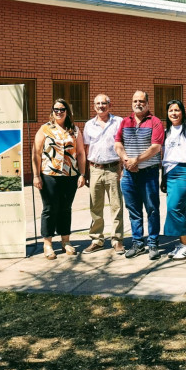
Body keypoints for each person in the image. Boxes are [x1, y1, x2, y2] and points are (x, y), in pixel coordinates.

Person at [32, 99, 86, 260]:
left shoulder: (74, 130)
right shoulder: (45, 129)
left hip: (70, 175)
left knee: (65, 208)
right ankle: (47, 243)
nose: (59, 112)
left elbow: (81, 153)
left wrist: (82, 174)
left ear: (67, 111)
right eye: (56, 109)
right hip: (49, 175)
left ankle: (65, 241)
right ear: (52, 111)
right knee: (50, 208)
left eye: (62, 109)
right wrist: (36, 175)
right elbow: (36, 153)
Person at [114, 90, 164, 260]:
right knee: (133, 210)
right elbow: (118, 143)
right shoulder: (125, 121)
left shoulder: (155, 122)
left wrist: (137, 160)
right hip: (128, 174)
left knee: (152, 209)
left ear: (147, 103)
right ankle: (137, 243)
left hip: (148, 173)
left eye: (141, 101)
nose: (138, 103)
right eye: (135, 100)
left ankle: (153, 243)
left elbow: (155, 147)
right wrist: (127, 160)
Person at [83, 94, 124, 255]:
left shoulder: (118, 122)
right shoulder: (89, 125)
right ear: (94, 106)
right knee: (95, 205)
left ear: (110, 105)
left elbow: (123, 144)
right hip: (95, 169)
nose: (101, 106)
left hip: (113, 168)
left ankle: (117, 240)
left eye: (104, 103)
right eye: (98, 104)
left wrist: (122, 168)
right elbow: (86, 149)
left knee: (116, 205)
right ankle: (96, 239)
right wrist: (86, 172)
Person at [162, 100, 186, 260]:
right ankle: (182, 243)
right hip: (169, 173)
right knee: (180, 208)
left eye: (177, 110)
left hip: (184, 172)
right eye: (171, 110)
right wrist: (163, 177)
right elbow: (164, 155)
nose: (174, 113)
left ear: (182, 112)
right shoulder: (167, 131)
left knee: (174, 208)